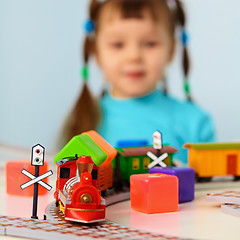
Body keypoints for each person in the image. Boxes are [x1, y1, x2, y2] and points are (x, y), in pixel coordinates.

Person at [61, 0, 215, 165]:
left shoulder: (195, 122)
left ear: (171, 50)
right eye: (118, 45)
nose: (133, 56)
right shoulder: (82, 118)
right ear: (96, 51)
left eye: (150, 44)